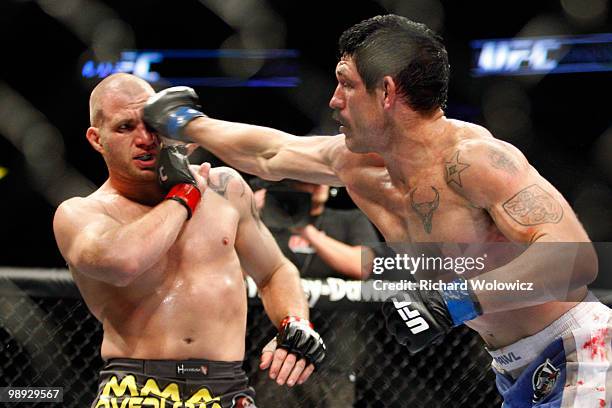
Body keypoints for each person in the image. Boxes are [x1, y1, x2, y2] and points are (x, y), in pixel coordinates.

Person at [141, 15, 608, 406]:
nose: (333, 101)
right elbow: (271, 153)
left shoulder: (474, 161)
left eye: (345, 85)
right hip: (514, 365)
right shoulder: (357, 166)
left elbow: (574, 260)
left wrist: (455, 301)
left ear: (386, 92)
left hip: (580, 349)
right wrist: (191, 124)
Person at [52, 73, 326, 408]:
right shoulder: (81, 214)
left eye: (151, 125)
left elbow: (275, 271)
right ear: (97, 139)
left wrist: (295, 321)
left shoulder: (226, 188)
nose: (144, 139)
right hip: (135, 390)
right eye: (125, 128)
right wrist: (185, 195)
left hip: (228, 388)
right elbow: (124, 262)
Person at [254, 180, 379, 280]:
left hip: (338, 308)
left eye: (322, 177)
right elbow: (244, 272)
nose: (319, 184)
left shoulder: (351, 218)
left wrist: (305, 230)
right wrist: (248, 215)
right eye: (309, 179)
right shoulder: (270, 220)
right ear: (292, 184)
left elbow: (362, 267)